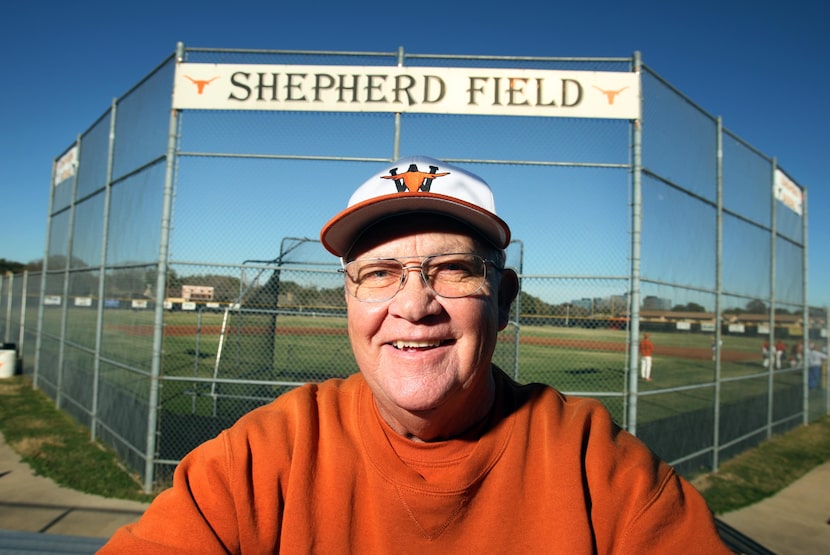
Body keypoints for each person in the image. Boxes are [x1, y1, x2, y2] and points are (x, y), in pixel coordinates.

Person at [100, 156, 729, 553]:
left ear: (502, 299)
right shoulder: (264, 455)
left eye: (453, 270)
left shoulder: (598, 466)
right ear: (348, 299)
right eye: (379, 274)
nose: (415, 304)